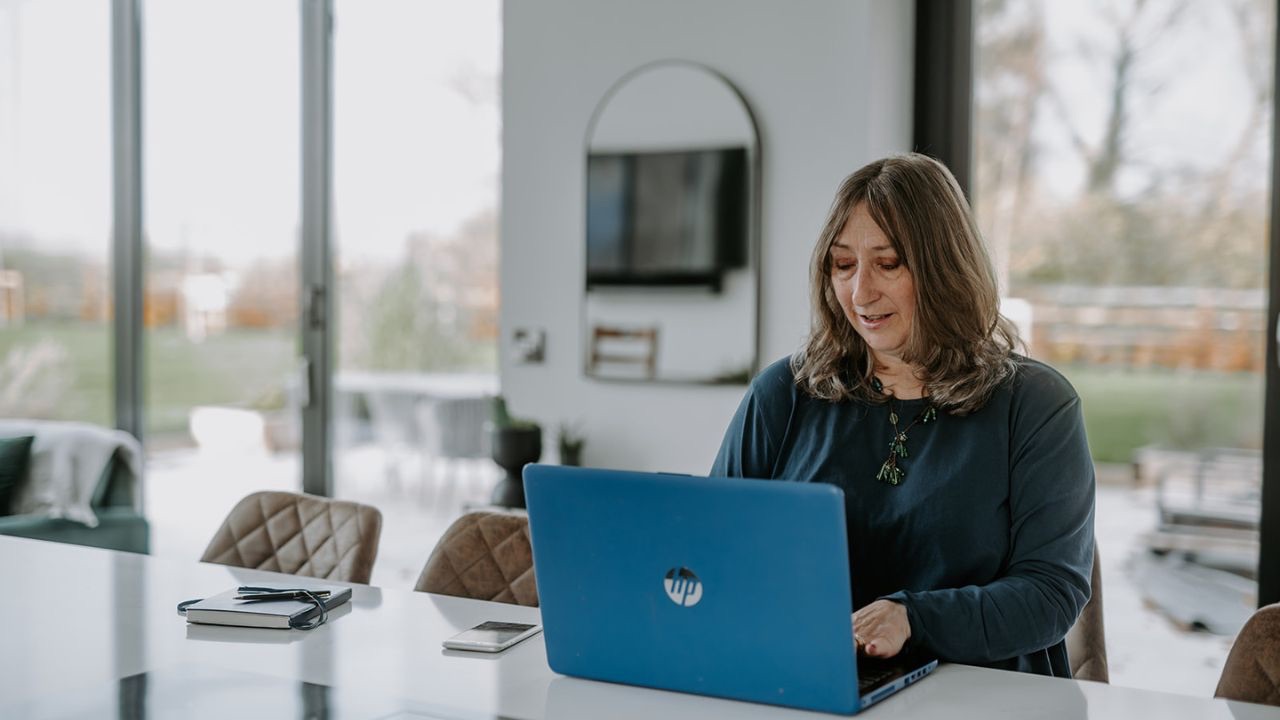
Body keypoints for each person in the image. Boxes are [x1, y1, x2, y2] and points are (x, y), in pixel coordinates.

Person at [710, 153, 1094, 677]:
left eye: (887, 264)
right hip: (815, 686)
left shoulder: (1036, 405)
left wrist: (913, 618)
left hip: (985, 698)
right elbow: (711, 545)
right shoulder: (783, 393)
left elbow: (1051, 594)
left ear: (944, 268)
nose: (860, 292)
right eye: (843, 265)